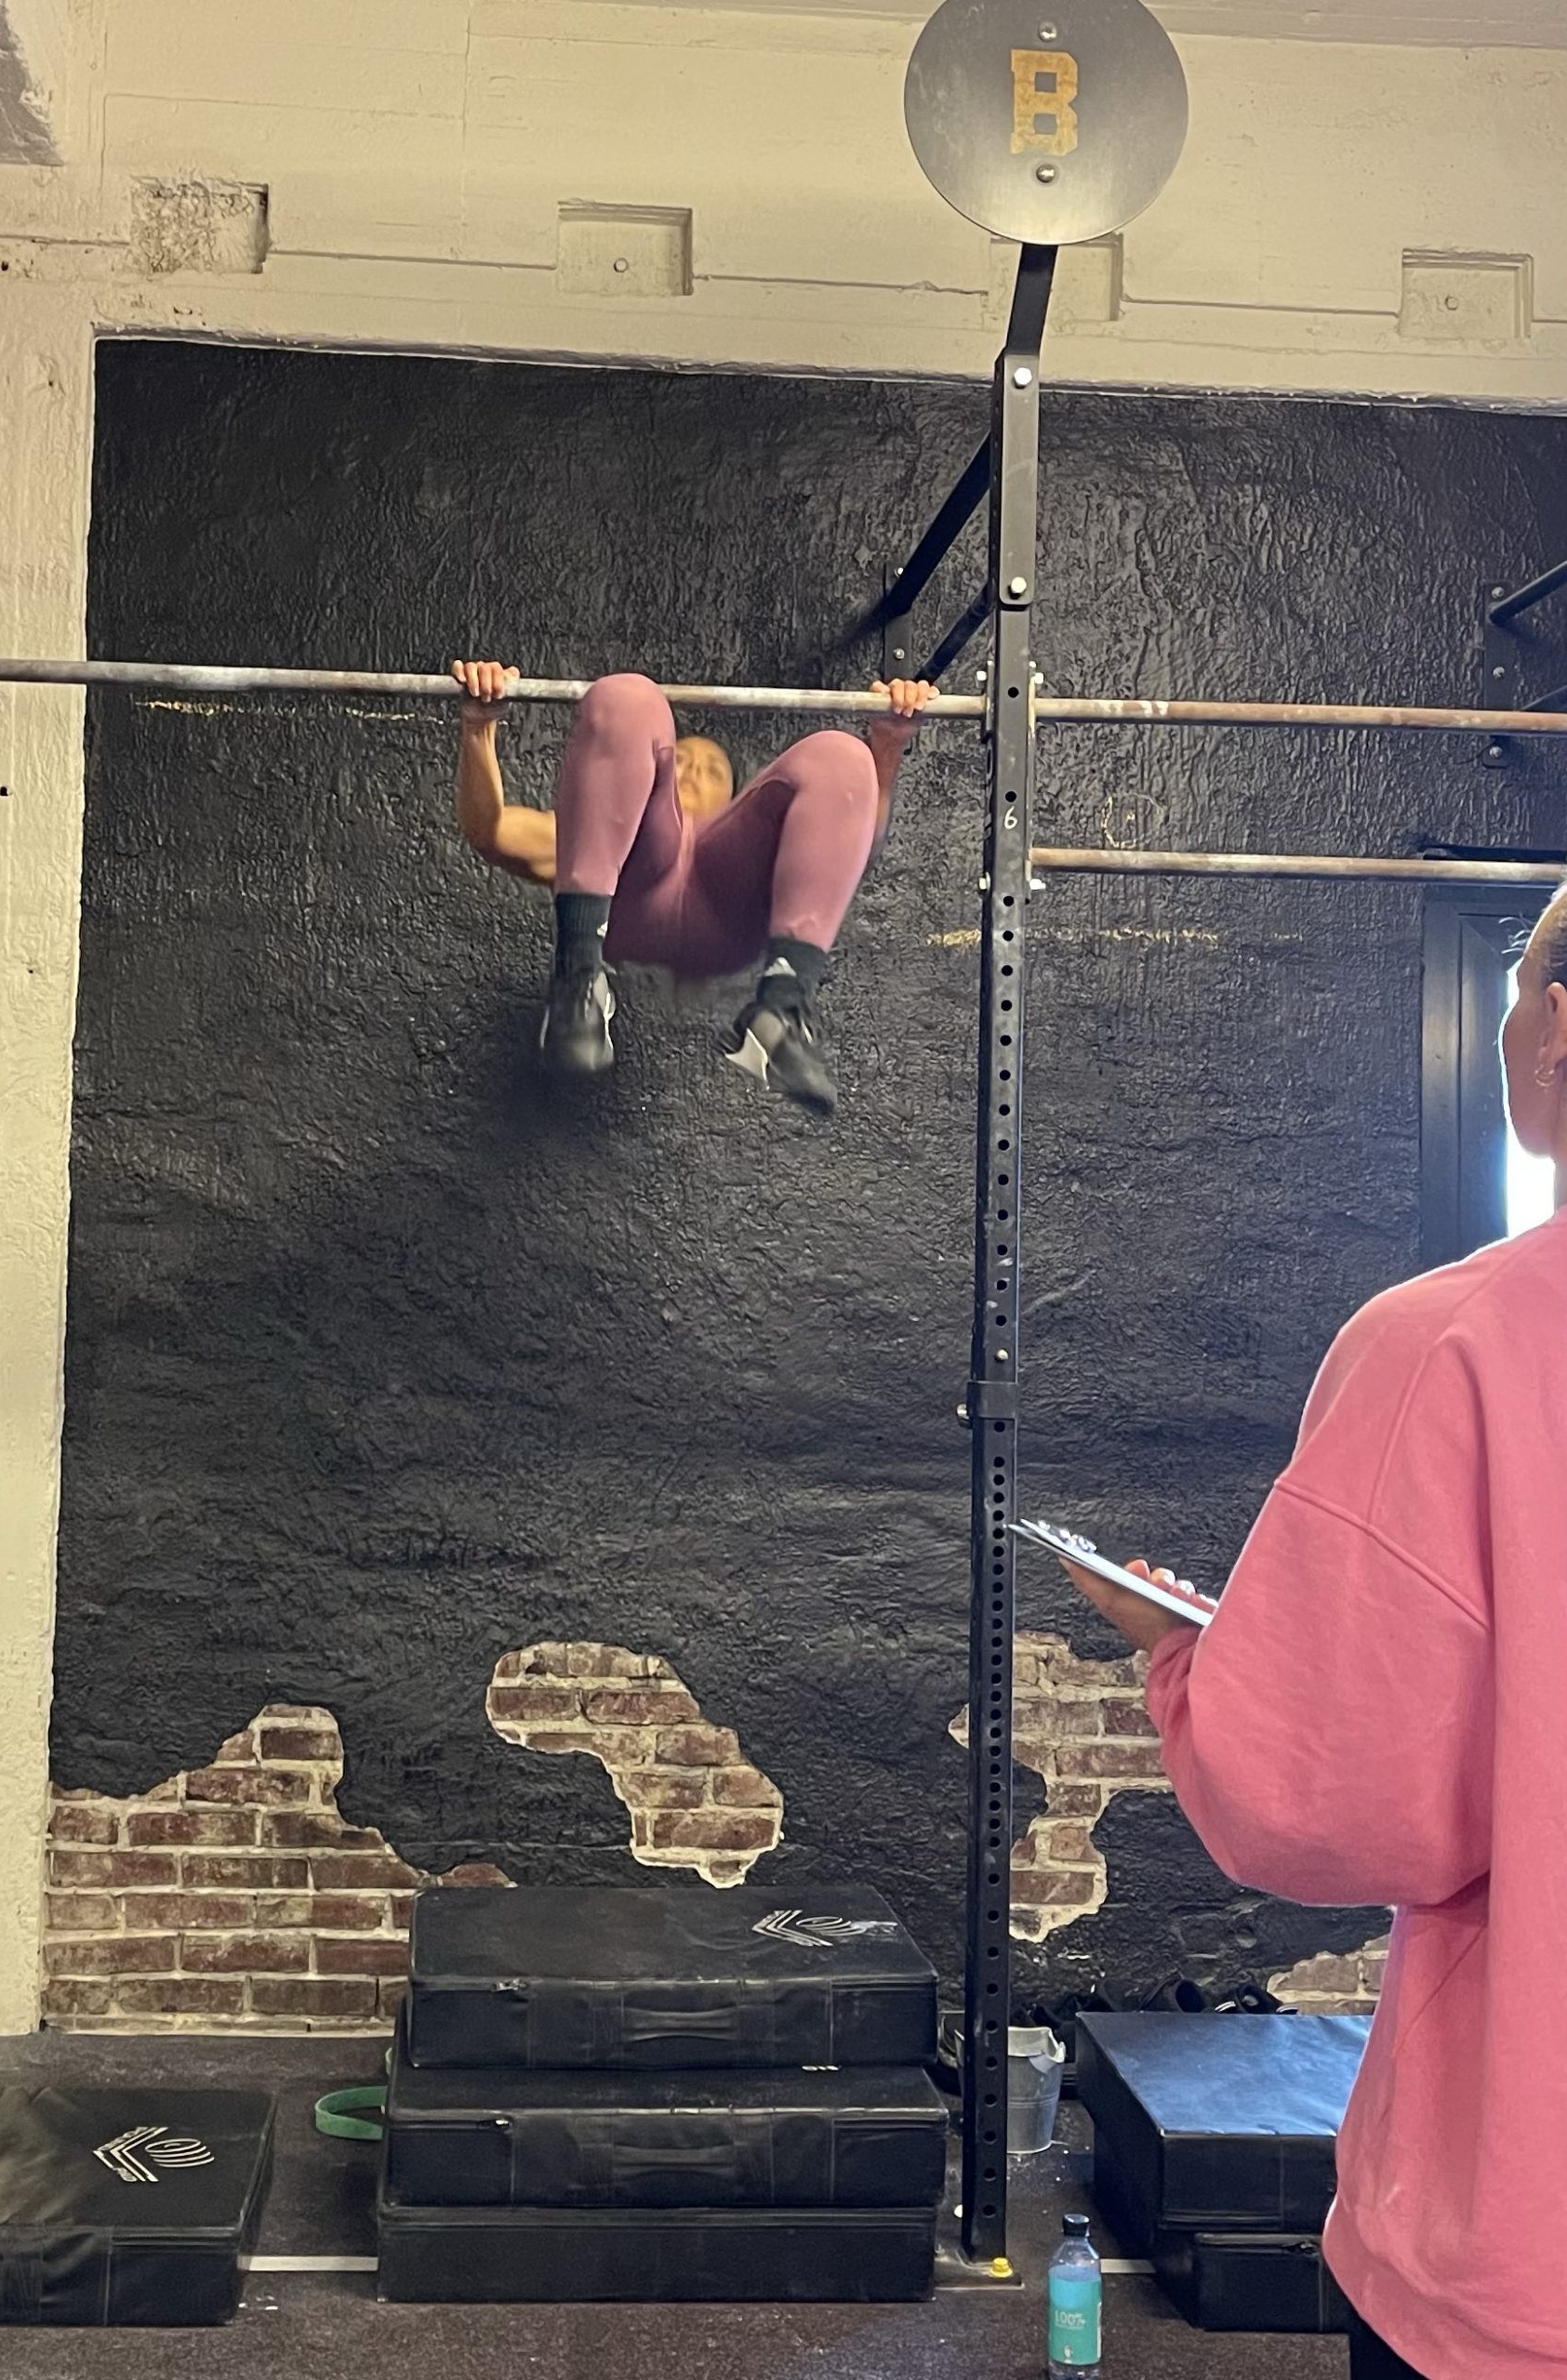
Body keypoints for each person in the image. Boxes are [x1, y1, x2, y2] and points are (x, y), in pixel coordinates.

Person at [1059, 886, 1567, 2380]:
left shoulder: (1452, 1346)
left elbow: (1327, 1804)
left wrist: (1186, 1659)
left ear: (1559, 1029)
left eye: (1515, 997)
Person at [450, 661, 936, 1116]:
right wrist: (478, 726)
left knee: (843, 757)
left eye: (712, 771)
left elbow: (846, 847)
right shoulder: (594, 834)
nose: (692, 773)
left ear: (733, 799)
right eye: (682, 760)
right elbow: (492, 832)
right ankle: (577, 980)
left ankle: (784, 1007)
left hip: (727, 912)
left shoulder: (750, 847)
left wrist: (885, 748)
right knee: (627, 700)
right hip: (627, 893)